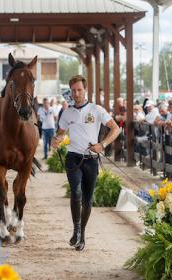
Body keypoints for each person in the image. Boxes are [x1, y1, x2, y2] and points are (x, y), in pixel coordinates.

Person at [51, 75, 120, 251]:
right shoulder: (67, 113)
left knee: (87, 200)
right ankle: (76, 230)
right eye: (73, 90)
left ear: (85, 90)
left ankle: (82, 234)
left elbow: (116, 128)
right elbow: (61, 133)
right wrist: (56, 139)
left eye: (79, 90)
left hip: (91, 159)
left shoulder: (97, 109)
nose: (76, 93)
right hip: (73, 158)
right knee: (76, 191)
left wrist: (102, 144)